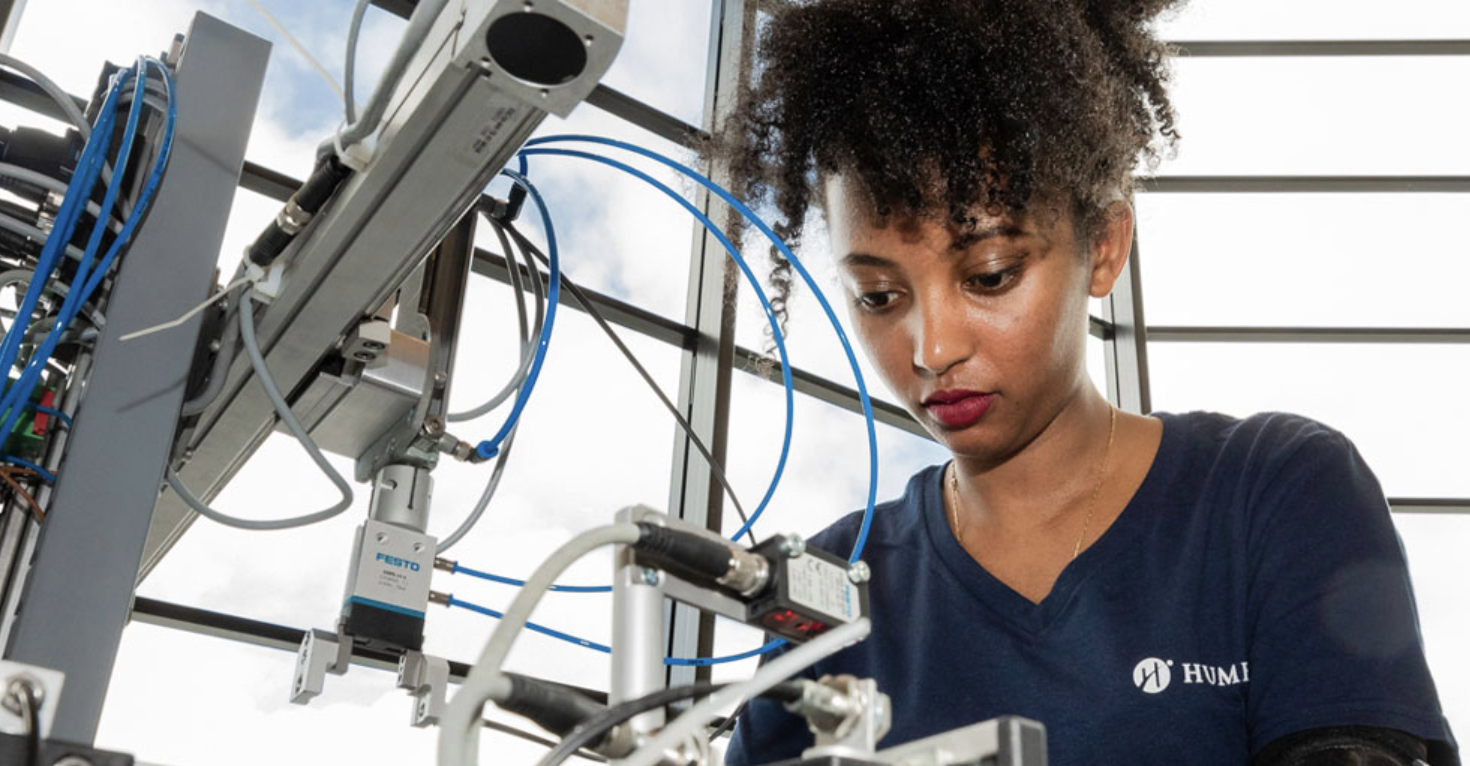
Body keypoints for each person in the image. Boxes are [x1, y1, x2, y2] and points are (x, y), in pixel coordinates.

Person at [707, 1, 1460, 764]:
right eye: (878, 296)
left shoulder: (1271, 494)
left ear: (1103, 247)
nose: (932, 347)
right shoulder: (831, 593)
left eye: (990, 275)